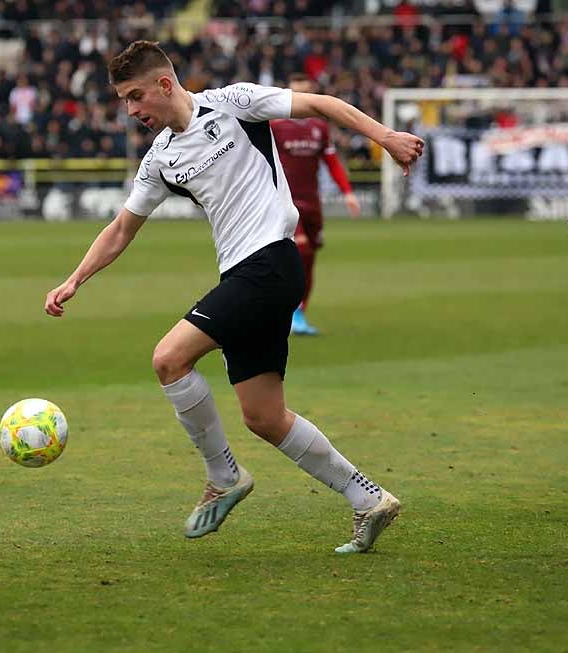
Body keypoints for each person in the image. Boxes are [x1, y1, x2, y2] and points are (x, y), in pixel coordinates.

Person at [45, 40, 423, 553]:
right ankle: (368, 499)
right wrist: (75, 279)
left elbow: (321, 105)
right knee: (264, 416)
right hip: (248, 275)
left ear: (164, 84)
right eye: (122, 101)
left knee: (169, 359)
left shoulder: (233, 102)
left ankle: (223, 476)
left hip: (269, 263)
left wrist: (385, 137)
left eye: (135, 96)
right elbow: (121, 229)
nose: (131, 111)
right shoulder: (159, 159)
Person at [270, 73, 360, 336]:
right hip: (286, 202)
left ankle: (299, 313)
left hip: (312, 202)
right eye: (294, 95)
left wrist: (348, 192)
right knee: (302, 252)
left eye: (304, 94)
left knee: (310, 259)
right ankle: (286, 311)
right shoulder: (275, 126)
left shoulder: (319, 127)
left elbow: (331, 161)